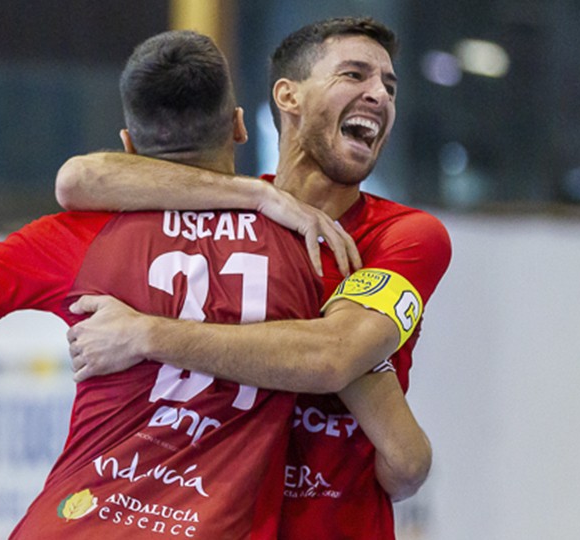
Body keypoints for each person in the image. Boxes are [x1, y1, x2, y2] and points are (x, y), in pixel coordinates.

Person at [0, 30, 347, 539]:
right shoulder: (306, 245)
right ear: (241, 127)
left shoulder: (74, 237)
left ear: (127, 143)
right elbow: (396, 451)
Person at [58, 16, 451, 540]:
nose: (379, 94)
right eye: (355, 75)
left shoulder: (407, 234)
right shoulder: (230, 211)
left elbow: (332, 357)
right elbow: (79, 180)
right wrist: (258, 196)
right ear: (288, 95)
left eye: (389, 85)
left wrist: (144, 334)